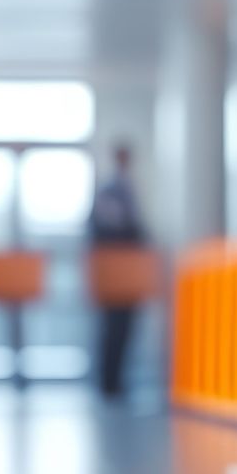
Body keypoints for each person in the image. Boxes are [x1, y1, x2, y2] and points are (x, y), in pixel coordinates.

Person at [88, 142, 149, 398]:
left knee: (125, 327)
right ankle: (108, 382)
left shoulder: (128, 188)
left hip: (127, 270)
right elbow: (106, 228)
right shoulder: (109, 190)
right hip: (115, 270)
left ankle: (117, 380)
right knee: (112, 328)